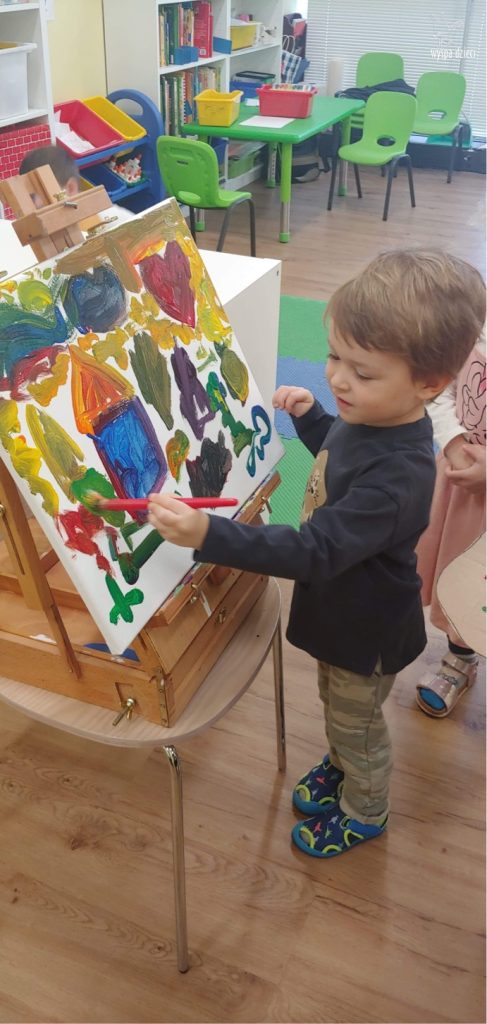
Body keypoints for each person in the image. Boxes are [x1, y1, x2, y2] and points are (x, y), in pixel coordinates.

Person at [147, 249, 486, 860]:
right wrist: (313, 421)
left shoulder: (401, 475)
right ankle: (342, 759)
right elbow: (343, 452)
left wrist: (208, 535)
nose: (338, 379)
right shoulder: (375, 416)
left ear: (430, 385)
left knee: (358, 722)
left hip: (365, 628)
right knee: (337, 704)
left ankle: (365, 808)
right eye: (333, 357)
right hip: (342, 613)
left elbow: (314, 550)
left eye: (362, 372)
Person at [415, 327, 486, 717]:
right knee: (458, 577)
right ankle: (460, 657)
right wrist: (455, 444)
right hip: (462, 487)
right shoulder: (474, 330)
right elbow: (441, 392)